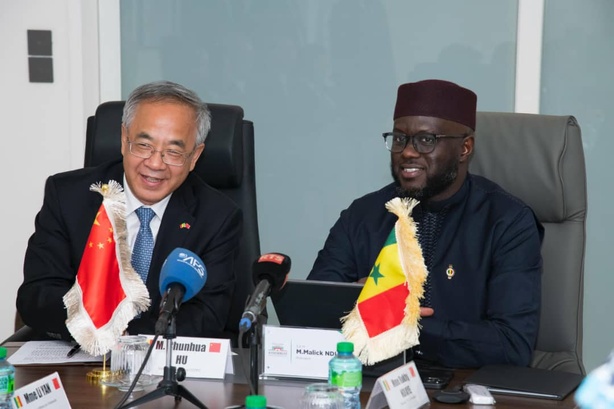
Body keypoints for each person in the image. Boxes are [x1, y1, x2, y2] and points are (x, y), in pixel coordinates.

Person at [308, 79, 544, 369]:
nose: (408, 152)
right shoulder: (363, 215)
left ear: (465, 148)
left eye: (426, 140)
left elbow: (512, 346)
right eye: (399, 139)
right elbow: (312, 314)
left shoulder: (507, 222)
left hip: (461, 385)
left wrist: (407, 326)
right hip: (367, 379)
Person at [17, 80, 242, 340]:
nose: (155, 164)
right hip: (80, 354)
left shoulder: (217, 217)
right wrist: (96, 322)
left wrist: (125, 335)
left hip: (162, 358)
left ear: (195, 156)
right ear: (124, 140)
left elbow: (208, 315)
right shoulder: (69, 197)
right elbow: (37, 295)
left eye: (173, 151)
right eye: (144, 145)